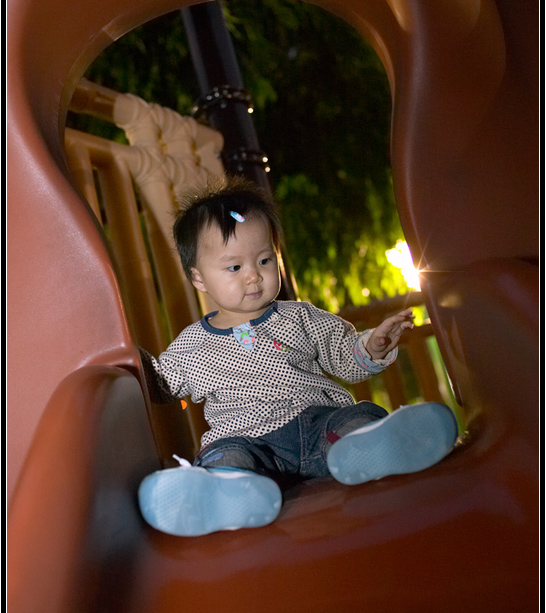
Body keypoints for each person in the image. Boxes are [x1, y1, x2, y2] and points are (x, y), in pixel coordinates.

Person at [138, 177, 458, 536]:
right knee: (225, 455)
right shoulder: (192, 345)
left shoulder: (300, 317)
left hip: (319, 427)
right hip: (249, 442)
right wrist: (129, 358)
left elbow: (342, 354)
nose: (254, 276)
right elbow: (160, 382)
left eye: (264, 260)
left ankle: (376, 446)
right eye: (234, 268)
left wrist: (372, 347)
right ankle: (225, 491)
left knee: (356, 418)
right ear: (199, 278)